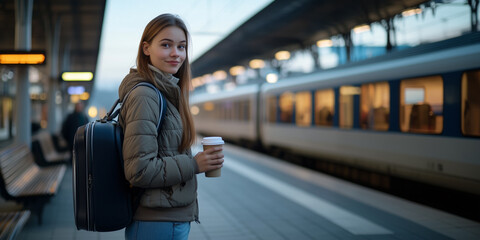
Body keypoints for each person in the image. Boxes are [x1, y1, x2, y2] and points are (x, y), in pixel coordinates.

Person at [118, 14, 224, 240]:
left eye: (181, 46)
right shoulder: (145, 95)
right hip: (155, 221)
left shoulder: (168, 92)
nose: (176, 53)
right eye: (166, 45)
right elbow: (140, 170)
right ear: (146, 48)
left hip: (171, 217)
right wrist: (194, 164)